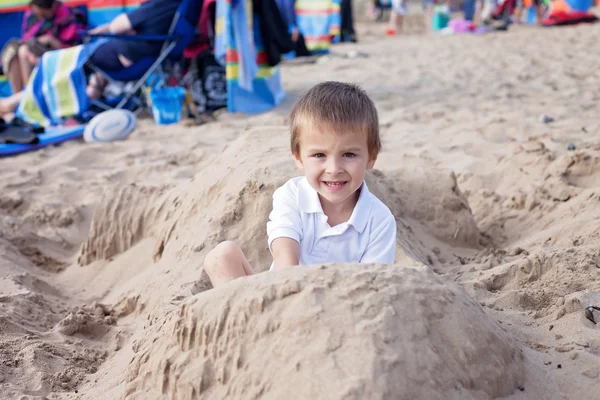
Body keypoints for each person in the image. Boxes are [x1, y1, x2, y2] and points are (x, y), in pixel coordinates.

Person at [204, 81, 397, 288]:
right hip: (282, 292)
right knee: (221, 256)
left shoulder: (380, 220)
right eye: (319, 155)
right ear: (298, 157)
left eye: (348, 154)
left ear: (371, 157)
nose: (333, 168)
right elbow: (285, 253)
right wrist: (290, 295)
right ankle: (243, 320)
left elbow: (373, 285)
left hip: (339, 306)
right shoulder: (291, 194)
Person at [85, 0, 185, 98]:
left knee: (82, 60)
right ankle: (91, 100)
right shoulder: (179, 6)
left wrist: (113, 29)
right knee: (95, 70)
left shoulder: (160, 4)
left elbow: (117, 27)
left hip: (127, 59)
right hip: (148, 58)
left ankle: (83, 103)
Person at [0, 0, 86, 94]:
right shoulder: (31, 15)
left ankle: (30, 96)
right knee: (14, 51)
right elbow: (27, 38)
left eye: (44, 15)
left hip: (59, 56)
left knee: (23, 51)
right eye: (38, 14)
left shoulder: (69, 16)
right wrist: (40, 41)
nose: (40, 17)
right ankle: (18, 96)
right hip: (33, 55)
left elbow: (72, 49)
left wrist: (51, 40)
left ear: (53, 5)